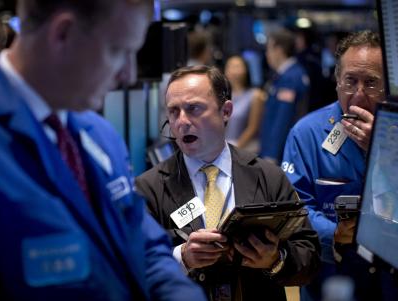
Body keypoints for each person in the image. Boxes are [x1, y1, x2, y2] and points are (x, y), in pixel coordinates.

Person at [0, 1, 206, 300]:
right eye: (118, 52)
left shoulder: (101, 134)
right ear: (63, 34)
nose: (129, 74)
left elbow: (143, 245)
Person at [136, 65, 321, 301]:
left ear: (226, 111)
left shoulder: (268, 176)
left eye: (194, 109)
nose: (182, 121)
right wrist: (182, 257)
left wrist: (275, 259)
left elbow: (310, 257)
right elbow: (133, 263)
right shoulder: (148, 188)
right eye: (174, 111)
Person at [281, 30, 398, 301]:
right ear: (337, 81)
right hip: (328, 276)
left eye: (371, 83)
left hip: (395, 280)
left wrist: (379, 149)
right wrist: (335, 235)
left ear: (391, 86)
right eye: (350, 81)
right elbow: (294, 209)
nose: (358, 94)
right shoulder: (306, 134)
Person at [260, 29, 309, 164]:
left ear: (279, 50)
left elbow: (283, 118)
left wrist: (272, 154)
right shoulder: (283, 75)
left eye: (269, 49)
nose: (267, 54)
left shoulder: (291, 77)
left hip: (280, 154)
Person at [224, 55, 265, 153]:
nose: (234, 70)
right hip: (223, 148)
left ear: (246, 70)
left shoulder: (255, 95)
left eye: (237, 66)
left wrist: (234, 149)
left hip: (245, 149)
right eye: (230, 66)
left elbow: (253, 127)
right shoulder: (221, 95)